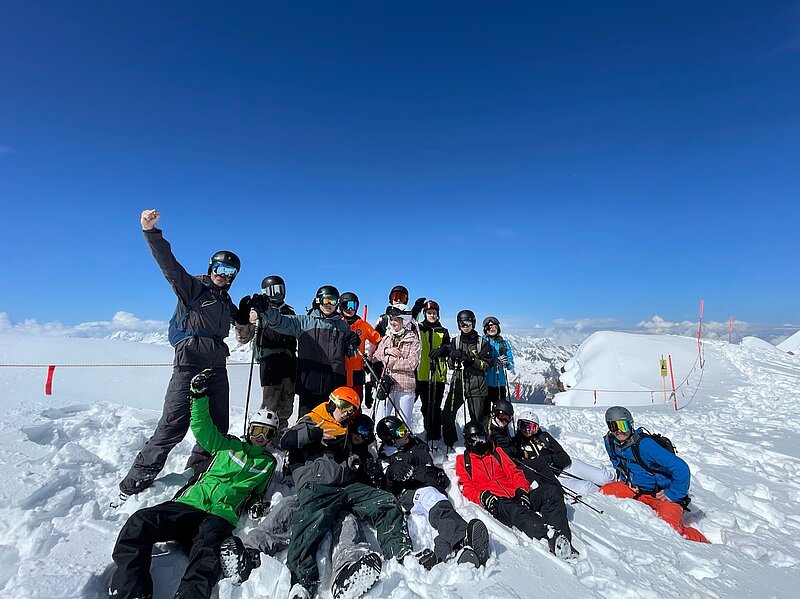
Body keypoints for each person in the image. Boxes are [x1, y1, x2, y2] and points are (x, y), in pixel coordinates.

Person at [109, 370, 278, 599]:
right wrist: (198, 396)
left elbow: (257, 493)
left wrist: (256, 504)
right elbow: (201, 427)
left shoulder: (267, 463)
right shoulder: (227, 444)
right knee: (139, 524)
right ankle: (132, 593)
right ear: (249, 429)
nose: (260, 437)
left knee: (207, 556)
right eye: (257, 430)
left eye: (267, 433)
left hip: (220, 515)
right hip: (189, 504)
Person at [117, 209, 246, 504]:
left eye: (229, 272)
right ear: (211, 266)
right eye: (219, 267)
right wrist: (151, 232)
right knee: (173, 424)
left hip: (217, 366)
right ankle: (135, 481)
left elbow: (242, 321)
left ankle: (199, 472)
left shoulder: (225, 301)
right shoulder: (193, 288)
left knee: (217, 425)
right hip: (189, 364)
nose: (223, 274)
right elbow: (169, 265)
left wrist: (250, 312)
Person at [219, 413, 385, 599]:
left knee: (347, 522)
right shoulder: (327, 440)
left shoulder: (364, 455)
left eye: (365, 433)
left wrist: (372, 474)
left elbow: (369, 487)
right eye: (358, 430)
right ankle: (249, 552)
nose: (360, 436)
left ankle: (348, 570)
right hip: (313, 493)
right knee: (286, 507)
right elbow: (287, 442)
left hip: (342, 497)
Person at [277, 387, 413, 599]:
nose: (347, 412)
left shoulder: (346, 428)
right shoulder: (314, 419)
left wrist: (358, 463)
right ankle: (302, 581)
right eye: (344, 406)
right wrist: (313, 434)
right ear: (333, 402)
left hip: (345, 486)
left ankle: (399, 552)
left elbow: (360, 446)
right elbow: (284, 440)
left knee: (385, 502)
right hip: (318, 486)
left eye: (352, 410)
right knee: (309, 523)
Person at [376, 416, 490, 569]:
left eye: (404, 428)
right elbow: (385, 489)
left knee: (437, 520)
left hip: (431, 487)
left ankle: (446, 556)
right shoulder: (386, 457)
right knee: (435, 502)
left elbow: (426, 465)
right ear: (390, 439)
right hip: (411, 492)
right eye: (400, 432)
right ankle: (463, 537)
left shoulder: (416, 443)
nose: (406, 433)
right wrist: (392, 473)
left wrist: (437, 473)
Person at [455, 421, 574, 559]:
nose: (480, 443)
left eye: (483, 438)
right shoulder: (463, 461)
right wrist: (483, 496)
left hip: (516, 494)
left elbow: (515, 472)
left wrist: (522, 490)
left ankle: (563, 541)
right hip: (498, 502)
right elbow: (467, 487)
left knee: (551, 491)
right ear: (468, 441)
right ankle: (548, 534)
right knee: (514, 509)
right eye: (476, 440)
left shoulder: (497, 453)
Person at [600, 406, 710, 544]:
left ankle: (704, 546)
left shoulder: (645, 445)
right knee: (603, 494)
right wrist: (626, 480)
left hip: (661, 496)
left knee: (668, 530)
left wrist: (673, 493)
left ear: (631, 424)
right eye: (613, 426)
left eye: (623, 426)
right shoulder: (610, 442)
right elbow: (617, 462)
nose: (619, 431)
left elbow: (681, 468)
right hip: (637, 491)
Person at [253, 285, 358, 418]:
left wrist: (353, 343)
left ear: (337, 303)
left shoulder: (343, 327)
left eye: (332, 300)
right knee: (307, 423)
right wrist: (266, 310)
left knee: (332, 425)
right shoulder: (303, 323)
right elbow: (279, 322)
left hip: (334, 387)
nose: (328, 305)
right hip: (309, 386)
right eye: (325, 300)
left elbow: (351, 353)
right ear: (318, 300)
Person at [487, 401, 577, 556]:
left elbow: (564, 457)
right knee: (539, 466)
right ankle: (557, 539)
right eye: (502, 416)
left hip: (516, 464)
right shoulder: (489, 430)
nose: (504, 420)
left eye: (508, 418)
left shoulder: (504, 430)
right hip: (511, 469)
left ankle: (562, 541)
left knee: (549, 484)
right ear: (494, 414)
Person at [236, 275, 298, 431]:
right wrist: (243, 321)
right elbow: (244, 338)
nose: (277, 294)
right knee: (270, 402)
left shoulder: (289, 311)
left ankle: (281, 432)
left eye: (280, 290)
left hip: (289, 361)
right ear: (265, 292)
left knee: (287, 402)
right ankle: (263, 433)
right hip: (270, 361)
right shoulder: (259, 311)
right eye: (272, 291)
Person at [514, 407, 614, 496]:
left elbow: (564, 457)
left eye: (531, 427)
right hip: (555, 477)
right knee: (585, 488)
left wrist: (549, 459)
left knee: (604, 477)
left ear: (536, 428)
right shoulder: (517, 444)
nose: (527, 430)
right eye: (523, 426)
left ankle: (618, 481)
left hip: (568, 466)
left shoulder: (544, 437)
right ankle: (608, 496)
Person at [432, 309, 492, 449]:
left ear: (473, 324)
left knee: (477, 419)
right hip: (459, 382)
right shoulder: (455, 341)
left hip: (477, 385)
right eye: (462, 324)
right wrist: (453, 358)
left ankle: (478, 446)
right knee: (447, 414)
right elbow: (450, 365)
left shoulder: (482, 343)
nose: (465, 327)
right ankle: (450, 443)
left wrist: (470, 360)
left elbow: (486, 366)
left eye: (468, 324)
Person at [371, 306, 421, 425]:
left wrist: (388, 361)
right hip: (387, 385)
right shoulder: (387, 338)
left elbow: (411, 364)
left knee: (403, 423)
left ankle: (403, 438)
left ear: (404, 321)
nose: (393, 322)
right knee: (381, 420)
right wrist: (387, 350)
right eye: (391, 319)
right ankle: (380, 437)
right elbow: (375, 357)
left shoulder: (413, 339)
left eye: (396, 320)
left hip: (404, 387)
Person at [415, 300, 450, 447]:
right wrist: (416, 309)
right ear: (425, 314)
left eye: (434, 313)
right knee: (425, 406)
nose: (432, 315)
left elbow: (449, 347)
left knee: (435, 406)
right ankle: (428, 430)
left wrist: (442, 350)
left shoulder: (443, 331)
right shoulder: (420, 328)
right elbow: (410, 323)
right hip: (422, 374)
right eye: (429, 313)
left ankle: (435, 434)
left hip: (438, 375)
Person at [339, 292, 381, 404]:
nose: (350, 309)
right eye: (346, 305)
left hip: (356, 372)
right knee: (340, 404)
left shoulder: (363, 325)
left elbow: (378, 340)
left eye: (353, 305)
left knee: (355, 402)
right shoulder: (337, 323)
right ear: (341, 306)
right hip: (340, 371)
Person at [482, 316, 515, 402]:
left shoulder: (504, 344)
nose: (491, 329)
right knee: (485, 409)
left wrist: (507, 363)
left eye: (494, 326)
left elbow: (511, 365)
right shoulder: (481, 343)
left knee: (500, 409)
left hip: (500, 384)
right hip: (485, 383)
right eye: (488, 327)